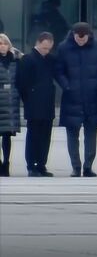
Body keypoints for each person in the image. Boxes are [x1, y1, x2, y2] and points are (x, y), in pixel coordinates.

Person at [55, 22, 97, 177]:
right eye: (77, 37)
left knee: (91, 134)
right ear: (72, 34)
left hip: (93, 97)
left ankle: (88, 166)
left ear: (88, 35)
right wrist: (66, 86)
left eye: (83, 37)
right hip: (71, 98)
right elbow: (58, 71)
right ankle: (76, 166)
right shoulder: (63, 48)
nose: (80, 40)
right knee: (72, 135)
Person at [16, 32, 57, 177]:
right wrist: (28, 99)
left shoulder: (50, 59)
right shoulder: (27, 59)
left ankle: (41, 164)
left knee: (46, 136)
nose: (47, 51)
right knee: (34, 135)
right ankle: (31, 165)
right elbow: (21, 83)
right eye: (44, 48)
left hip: (47, 104)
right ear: (38, 43)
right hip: (33, 104)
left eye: (49, 48)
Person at [0, 34, 22, 176]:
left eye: (4, 43)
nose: (2, 46)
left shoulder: (16, 60)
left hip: (10, 101)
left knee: (7, 135)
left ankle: (6, 163)